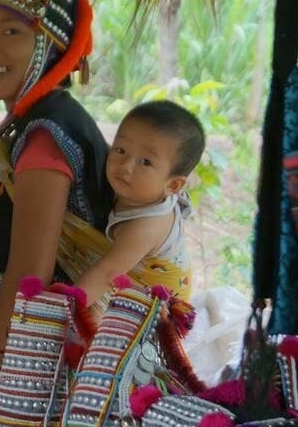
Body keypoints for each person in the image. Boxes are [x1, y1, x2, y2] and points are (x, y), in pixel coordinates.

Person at [0, 0, 114, 364]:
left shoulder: (45, 137)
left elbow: (29, 278)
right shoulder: (31, 123)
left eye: (11, 31)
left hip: (54, 366)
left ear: (50, 41)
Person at [75, 100, 204, 306]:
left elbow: (106, 273)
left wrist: (60, 310)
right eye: (120, 150)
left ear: (173, 185)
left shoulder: (145, 226)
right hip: (137, 281)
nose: (125, 166)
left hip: (160, 307)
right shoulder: (142, 190)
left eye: (145, 162)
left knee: (91, 320)